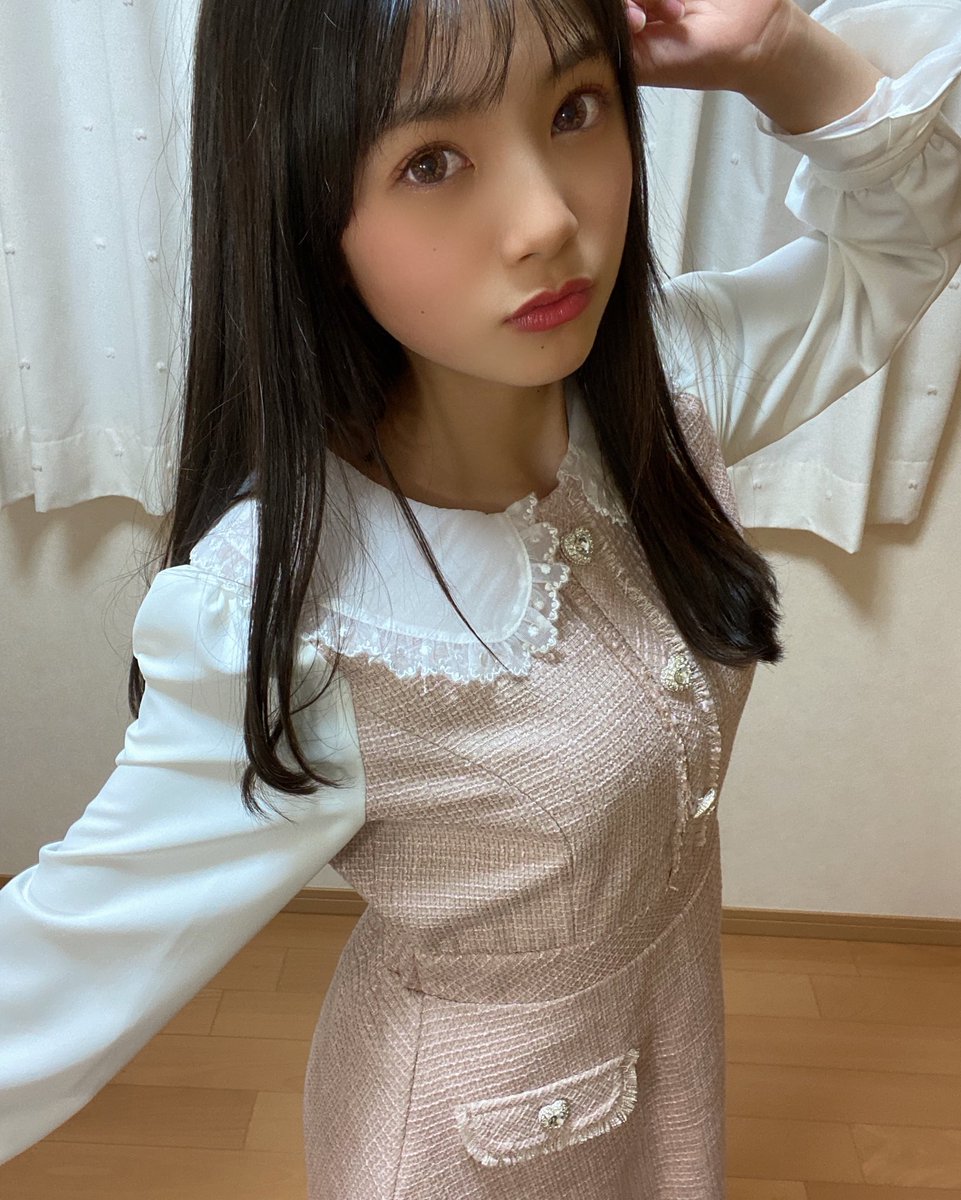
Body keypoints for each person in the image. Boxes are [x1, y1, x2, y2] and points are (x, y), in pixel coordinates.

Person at [1, 0, 960, 1194]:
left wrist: (774, 54)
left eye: (575, 108)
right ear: (304, 206)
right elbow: (54, 975)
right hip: (459, 1152)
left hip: (668, 1067)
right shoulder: (297, 619)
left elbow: (902, 243)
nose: (548, 219)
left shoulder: (663, 385)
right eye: (431, 162)